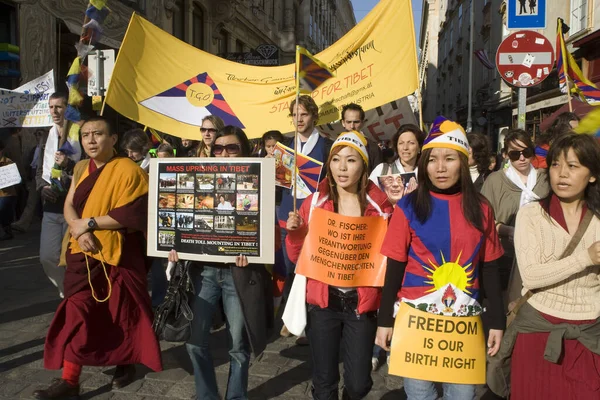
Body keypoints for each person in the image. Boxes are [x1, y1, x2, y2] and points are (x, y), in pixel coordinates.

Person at [376, 116, 505, 400]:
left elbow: (490, 269)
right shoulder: (409, 205)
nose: (441, 168)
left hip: (463, 323)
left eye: (449, 159)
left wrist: (497, 321)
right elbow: (394, 267)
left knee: (462, 396)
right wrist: (385, 320)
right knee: (420, 396)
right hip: (416, 321)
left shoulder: (482, 207)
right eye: (432, 159)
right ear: (424, 164)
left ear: (463, 161)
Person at [33, 116, 161, 400]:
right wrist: (79, 232)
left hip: (118, 255)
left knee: (123, 314)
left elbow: (136, 213)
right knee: (77, 314)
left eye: (98, 134)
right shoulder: (80, 168)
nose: (91, 139)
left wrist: (89, 224)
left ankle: (125, 364)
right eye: (86, 134)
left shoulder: (129, 170)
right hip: (83, 253)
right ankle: (70, 380)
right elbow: (69, 204)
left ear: (113, 139)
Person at [285, 131, 393, 400]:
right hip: (323, 303)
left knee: (357, 384)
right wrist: (295, 233)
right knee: (324, 380)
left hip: (361, 304)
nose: (342, 167)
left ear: (364, 165)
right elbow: (297, 257)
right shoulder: (314, 203)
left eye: (351, 160)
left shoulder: (381, 208)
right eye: (336, 159)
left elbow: (391, 258)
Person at [168, 125, 273, 400]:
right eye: (218, 147)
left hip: (240, 273)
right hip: (203, 272)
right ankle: (207, 396)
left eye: (232, 147)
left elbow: (270, 231)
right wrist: (174, 247)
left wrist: (255, 250)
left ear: (245, 151)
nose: (223, 152)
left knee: (238, 344)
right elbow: (180, 223)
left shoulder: (261, 180)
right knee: (194, 341)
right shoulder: (195, 176)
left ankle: (237, 396)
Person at [492, 133, 600, 399]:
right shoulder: (532, 214)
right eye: (555, 164)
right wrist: (585, 258)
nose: (562, 173)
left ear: (593, 175)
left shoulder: (597, 219)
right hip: (536, 331)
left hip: (589, 336)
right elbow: (531, 276)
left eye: (573, 166)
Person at [278, 95, 333, 341]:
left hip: (314, 217)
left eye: (304, 114)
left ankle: (304, 323)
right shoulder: (285, 147)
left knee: (310, 270)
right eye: (295, 114)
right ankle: (291, 318)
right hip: (286, 217)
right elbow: (278, 186)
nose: (298, 119)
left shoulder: (326, 146)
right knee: (291, 269)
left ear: (314, 116)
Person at [481, 129, 549, 303]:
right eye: (514, 154)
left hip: (541, 258)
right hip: (506, 257)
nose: (522, 158)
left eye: (526, 152)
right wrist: (508, 231)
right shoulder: (494, 181)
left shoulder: (545, 179)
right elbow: (483, 221)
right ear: (505, 155)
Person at [37, 92, 82, 298]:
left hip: (73, 205)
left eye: (59, 107)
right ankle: (66, 292)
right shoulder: (46, 135)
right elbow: (39, 170)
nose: (54, 111)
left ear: (68, 108)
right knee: (47, 256)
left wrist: (69, 164)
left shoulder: (78, 133)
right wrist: (42, 188)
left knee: (71, 257)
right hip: (51, 205)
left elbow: (86, 169)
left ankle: (73, 297)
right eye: (51, 107)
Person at [340, 103, 382, 172]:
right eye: (348, 122)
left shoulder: (373, 148)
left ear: (362, 123)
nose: (352, 126)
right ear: (343, 123)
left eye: (356, 122)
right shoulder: (335, 147)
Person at [0, 140, 18, 240]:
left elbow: (14, 177)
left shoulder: (8, 162)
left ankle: (7, 231)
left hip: (6, 194)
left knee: (4, 212)